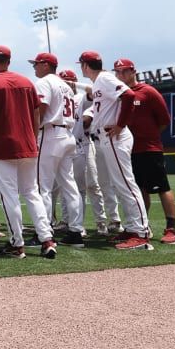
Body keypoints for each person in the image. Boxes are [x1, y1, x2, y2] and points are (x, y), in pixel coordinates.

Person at [0, 45, 56, 259]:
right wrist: (34, 138)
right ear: (9, 61)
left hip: (3, 147)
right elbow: (36, 114)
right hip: (28, 144)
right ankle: (47, 239)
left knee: (9, 195)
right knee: (32, 192)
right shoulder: (26, 81)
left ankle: (17, 243)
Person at [78, 50, 153, 251]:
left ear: (85, 65)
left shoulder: (103, 78)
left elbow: (129, 95)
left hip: (115, 135)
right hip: (107, 136)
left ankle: (141, 232)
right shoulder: (99, 81)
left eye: (81, 65)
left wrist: (121, 124)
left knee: (126, 185)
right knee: (121, 186)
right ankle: (131, 228)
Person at [113, 58, 175, 244]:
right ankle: (141, 227)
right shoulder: (119, 94)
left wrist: (148, 136)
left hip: (149, 148)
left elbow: (164, 120)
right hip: (128, 149)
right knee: (139, 189)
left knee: (162, 186)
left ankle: (172, 229)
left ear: (133, 71)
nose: (121, 75)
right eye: (117, 72)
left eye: (124, 71)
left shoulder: (148, 92)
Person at [28, 52, 84, 247]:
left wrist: (32, 136)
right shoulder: (65, 85)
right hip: (67, 135)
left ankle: (43, 232)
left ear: (45, 65)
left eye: (36, 64)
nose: (34, 67)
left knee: (42, 187)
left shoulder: (44, 82)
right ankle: (76, 232)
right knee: (69, 186)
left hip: (50, 134)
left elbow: (40, 109)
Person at [58, 69, 109, 236]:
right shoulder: (58, 100)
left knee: (92, 185)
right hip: (65, 147)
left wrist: (76, 85)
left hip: (83, 144)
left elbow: (93, 94)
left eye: (67, 81)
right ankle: (69, 221)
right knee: (68, 187)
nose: (63, 84)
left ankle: (101, 221)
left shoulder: (80, 98)